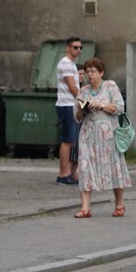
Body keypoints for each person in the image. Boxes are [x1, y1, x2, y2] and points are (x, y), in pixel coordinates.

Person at [73, 58, 131, 217]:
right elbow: (77, 117)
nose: (89, 75)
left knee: (114, 166)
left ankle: (119, 204)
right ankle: (85, 208)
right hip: (88, 134)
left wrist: (101, 105)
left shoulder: (110, 86)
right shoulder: (83, 90)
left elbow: (119, 107)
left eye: (93, 72)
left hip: (108, 135)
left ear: (101, 73)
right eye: (87, 72)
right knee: (85, 167)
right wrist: (81, 108)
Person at [56, 37, 82, 185]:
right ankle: (63, 174)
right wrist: (84, 102)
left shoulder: (71, 64)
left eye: (80, 48)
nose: (78, 50)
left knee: (70, 140)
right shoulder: (65, 64)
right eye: (75, 47)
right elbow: (72, 87)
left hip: (70, 105)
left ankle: (67, 173)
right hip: (66, 105)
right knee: (67, 141)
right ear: (68, 48)